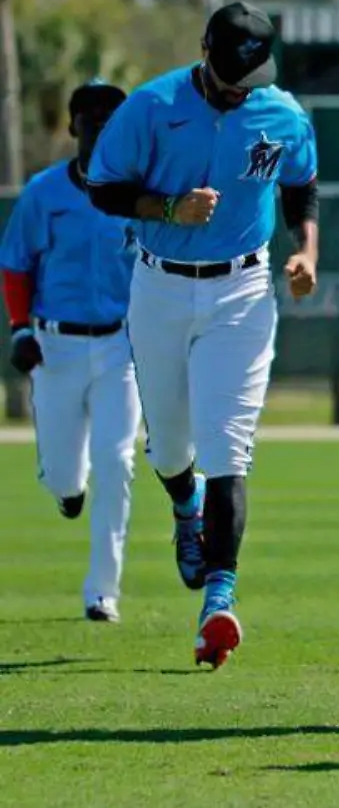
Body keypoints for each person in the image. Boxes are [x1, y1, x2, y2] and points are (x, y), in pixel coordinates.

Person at [87, 3, 320, 668]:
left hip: (243, 291)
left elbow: (302, 189)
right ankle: (184, 506)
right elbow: (104, 189)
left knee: (229, 446)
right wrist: (167, 208)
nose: (244, 85)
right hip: (160, 285)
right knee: (167, 446)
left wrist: (305, 251)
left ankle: (218, 600)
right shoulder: (151, 106)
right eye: (232, 71)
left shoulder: (282, 112)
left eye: (254, 72)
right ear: (205, 53)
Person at [1, 80, 140, 622]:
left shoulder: (141, 195)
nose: (102, 126)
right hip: (55, 345)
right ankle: (66, 487)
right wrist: (18, 329)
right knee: (65, 474)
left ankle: (102, 590)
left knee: (117, 460)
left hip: (120, 346)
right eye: (92, 118)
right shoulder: (45, 192)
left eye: (113, 118)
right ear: (73, 126)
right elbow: (16, 263)